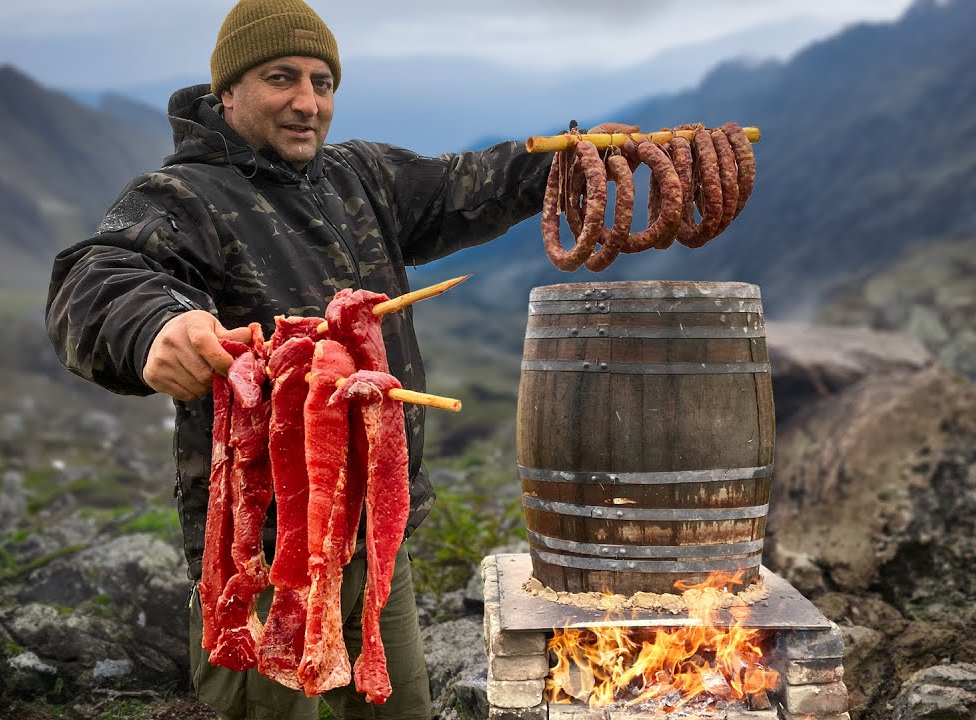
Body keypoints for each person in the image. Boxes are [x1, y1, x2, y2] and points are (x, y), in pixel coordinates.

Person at [46, 0, 634, 717]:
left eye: (322, 82)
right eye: (280, 78)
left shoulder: (359, 177)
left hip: (374, 537)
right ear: (227, 90)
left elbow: (471, 181)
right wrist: (154, 327)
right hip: (265, 554)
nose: (308, 102)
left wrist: (578, 157)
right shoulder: (181, 196)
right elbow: (98, 276)